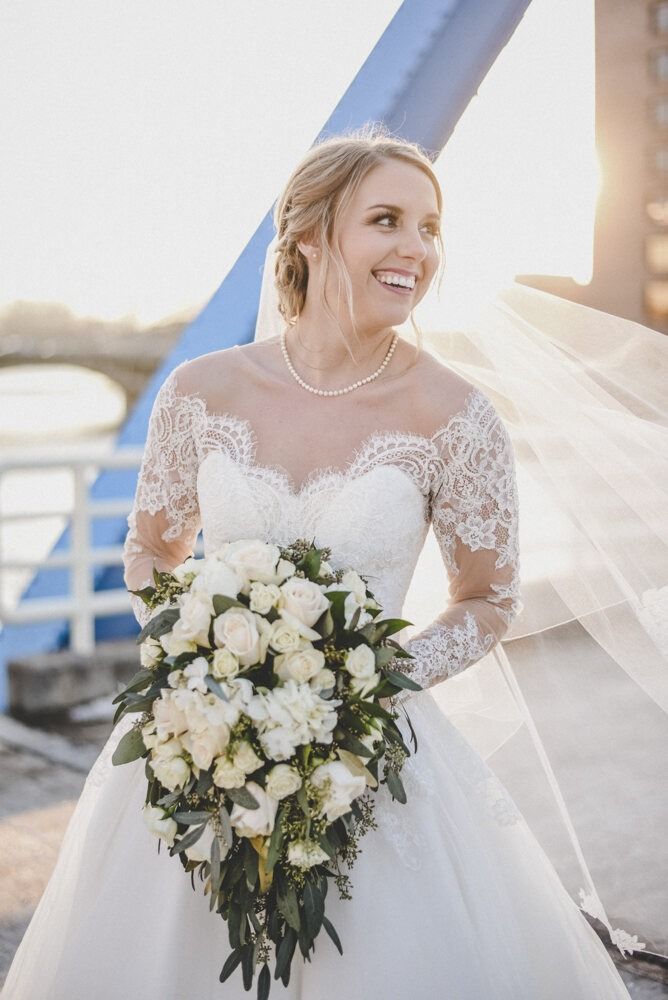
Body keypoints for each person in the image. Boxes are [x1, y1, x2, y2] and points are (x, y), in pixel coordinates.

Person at [1, 130, 636, 998]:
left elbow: (488, 599)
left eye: (430, 227)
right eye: (387, 220)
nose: (417, 249)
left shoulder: (455, 414)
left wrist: (361, 683)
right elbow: (152, 552)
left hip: (367, 759)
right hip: (200, 748)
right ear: (309, 233)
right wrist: (201, 665)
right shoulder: (199, 391)